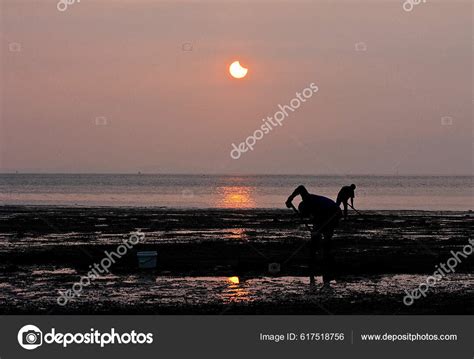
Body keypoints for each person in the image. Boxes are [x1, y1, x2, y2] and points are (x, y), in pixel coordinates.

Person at [285, 185, 342, 287]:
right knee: (318, 233)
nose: (307, 216)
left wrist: (290, 198)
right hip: (330, 212)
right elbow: (315, 219)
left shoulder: (308, 199)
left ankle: (324, 259)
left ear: (306, 208)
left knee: (323, 235)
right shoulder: (314, 209)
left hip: (333, 212)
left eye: (305, 214)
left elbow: (301, 187)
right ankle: (320, 257)